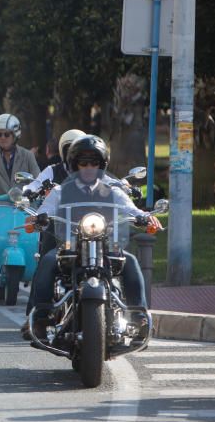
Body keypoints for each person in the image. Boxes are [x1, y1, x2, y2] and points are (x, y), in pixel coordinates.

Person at [24, 136, 161, 340]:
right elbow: (45, 211)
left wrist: (146, 217)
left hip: (105, 244)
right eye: (83, 162)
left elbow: (130, 208)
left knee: (130, 261)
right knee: (47, 261)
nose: (89, 167)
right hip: (70, 245)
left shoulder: (112, 190)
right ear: (74, 164)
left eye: (94, 162)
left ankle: (139, 317)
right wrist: (37, 219)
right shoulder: (61, 190)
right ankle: (40, 320)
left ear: (102, 164)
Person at [0, 113, 42, 204]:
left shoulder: (28, 155)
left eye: (6, 134)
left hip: (23, 206)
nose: (2, 138)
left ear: (15, 135)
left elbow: (38, 179)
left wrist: (34, 193)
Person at [22, 129, 86, 195]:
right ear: (63, 151)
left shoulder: (91, 172)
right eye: (70, 150)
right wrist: (27, 190)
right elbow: (35, 185)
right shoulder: (52, 171)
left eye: (79, 151)